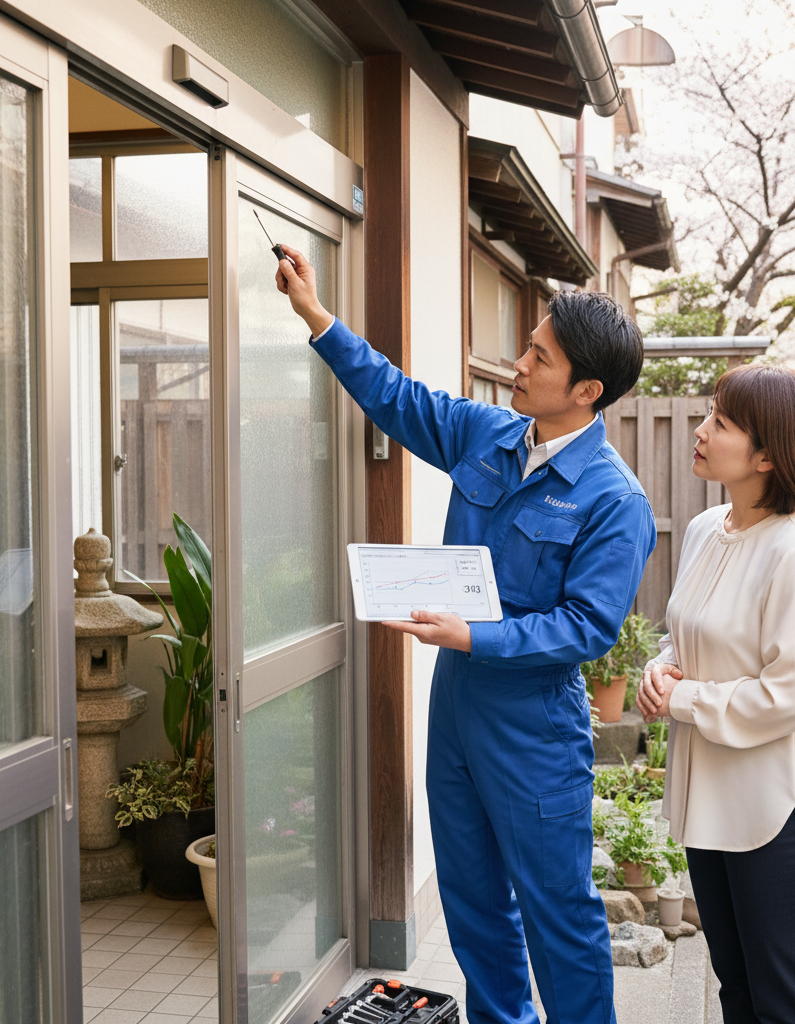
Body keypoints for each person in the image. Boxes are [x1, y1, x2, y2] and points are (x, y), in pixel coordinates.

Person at [274, 245, 655, 1024]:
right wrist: (317, 314)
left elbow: (587, 627)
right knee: (473, 904)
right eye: (527, 345)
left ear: (586, 390)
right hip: (455, 713)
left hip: (534, 727)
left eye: (538, 357)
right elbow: (397, 397)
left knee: (560, 919)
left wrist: (477, 636)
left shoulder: (617, 502)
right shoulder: (490, 435)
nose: (518, 364)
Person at [636, 363, 795, 1024]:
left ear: (768, 456)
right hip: (709, 799)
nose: (701, 431)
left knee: (782, 1000)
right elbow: (691, 636)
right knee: (737, 991)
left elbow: (792, 693)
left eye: (721, 423)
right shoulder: (707, 530)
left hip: (774, 812)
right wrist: (661, 669)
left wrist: (684, 700)